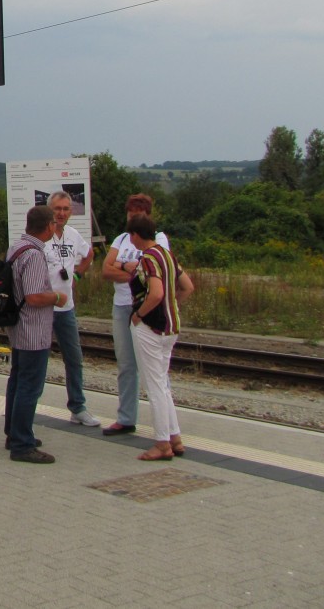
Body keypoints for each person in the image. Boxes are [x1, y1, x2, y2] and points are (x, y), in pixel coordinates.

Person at [125, 213, 195, 460]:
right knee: (163, 383)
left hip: (151, 328)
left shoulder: (148, 259)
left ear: (135, 235)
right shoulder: (167, 255)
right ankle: (175, 437)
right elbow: (187, 286)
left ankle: (162, 443)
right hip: (171, 326)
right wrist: (171, 304)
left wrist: (139, 315)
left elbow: (155, 293)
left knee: (154, 386)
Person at [101, 193, 170, 437]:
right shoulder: (122, 239)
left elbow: (154, 273)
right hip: (122, 306)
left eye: (137, 218)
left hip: (147, 310)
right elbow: (105, 270)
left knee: (154, 368)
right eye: (130, 217)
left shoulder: (159, 239)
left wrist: (126, 269)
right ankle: (126, 417)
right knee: (126, 364)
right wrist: (130, 270)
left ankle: (166, 426)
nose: (132, 223)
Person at [3, 205, 65, 463]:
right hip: (33, 329)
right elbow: (34, 295)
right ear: (49, 226)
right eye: (54, 223)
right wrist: (58, 297)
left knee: (17, 382)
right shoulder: (35, 255)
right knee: (30, 386)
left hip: (18, 327)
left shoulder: (16, 248)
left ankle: (14, 432)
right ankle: (22, 444)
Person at [44, 191, 99, 427]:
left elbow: (89, 254)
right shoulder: (42, 237)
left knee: (74, 358)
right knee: (33, 361)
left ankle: (78, 407)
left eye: (66, 209)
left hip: (66, 308)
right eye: (57, 209)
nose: (62, 213)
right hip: (42, 308)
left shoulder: (73, 235)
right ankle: (22, 405)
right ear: (50, 210)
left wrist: (77, 273)